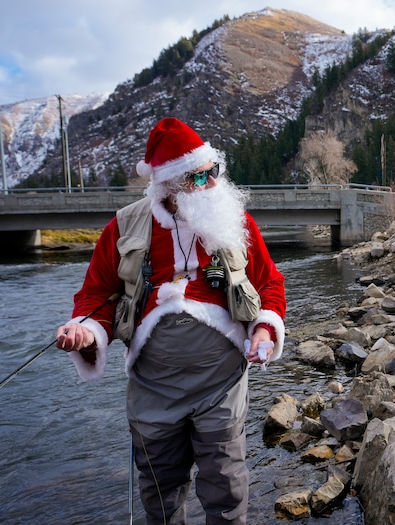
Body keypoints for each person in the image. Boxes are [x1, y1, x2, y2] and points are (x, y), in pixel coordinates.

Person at [56, 117, 286, 525]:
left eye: (213, 171)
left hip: (222, 381)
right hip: (153, 385)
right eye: (199, 178)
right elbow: (96, 296)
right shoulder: (124, 227)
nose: (213, 184)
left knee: (226, 486)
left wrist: (265, 328)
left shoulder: (236, 221)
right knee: (160, 491)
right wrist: (85, 331)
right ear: (168, 185)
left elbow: (269, 282)